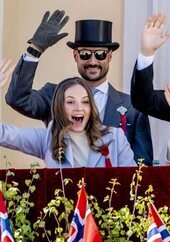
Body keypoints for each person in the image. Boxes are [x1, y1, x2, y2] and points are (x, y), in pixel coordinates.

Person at [6, 10, 153, 166]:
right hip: (62, 187)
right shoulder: (54, 95)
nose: (92, 61)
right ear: (75, 55)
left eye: (101, 54)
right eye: (85, 54)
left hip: (112, 189)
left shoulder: (132, 107)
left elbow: (142, 168)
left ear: (110, 56)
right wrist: (34, 50)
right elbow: (17, 99)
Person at [1, 77, 136, 168]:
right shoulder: (47, 138)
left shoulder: (115, 137)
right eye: (70, 102)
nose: (79, 108)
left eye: (85, 102)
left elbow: (133, 183)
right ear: (60, 107)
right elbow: (4, 134)